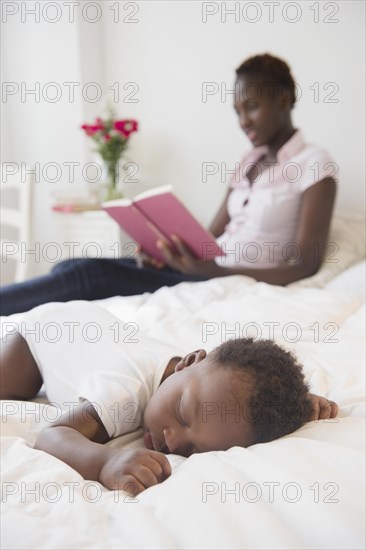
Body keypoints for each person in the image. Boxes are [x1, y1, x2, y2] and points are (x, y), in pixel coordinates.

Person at [0, 53, 337, 315]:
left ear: (283, 99)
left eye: (251, 106)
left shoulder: (314, 163)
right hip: (204, 269)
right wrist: (167, 252)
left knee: (87, 275)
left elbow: (305, 264)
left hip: (228, 279)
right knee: (70, 266)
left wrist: (216, 271)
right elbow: (209, 237)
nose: (243, 121)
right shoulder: (248, 161)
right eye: (237, 110)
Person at [0, 301, 338, 494]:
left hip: (98, 322)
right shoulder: (123, 391)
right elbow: (52, 435)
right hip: (43, 334)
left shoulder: (198, 377)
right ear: (189, 361)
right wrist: (106, 462)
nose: (172, 441)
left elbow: (244, 389)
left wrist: (291, 403)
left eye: (194, 449)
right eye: (181, 412)